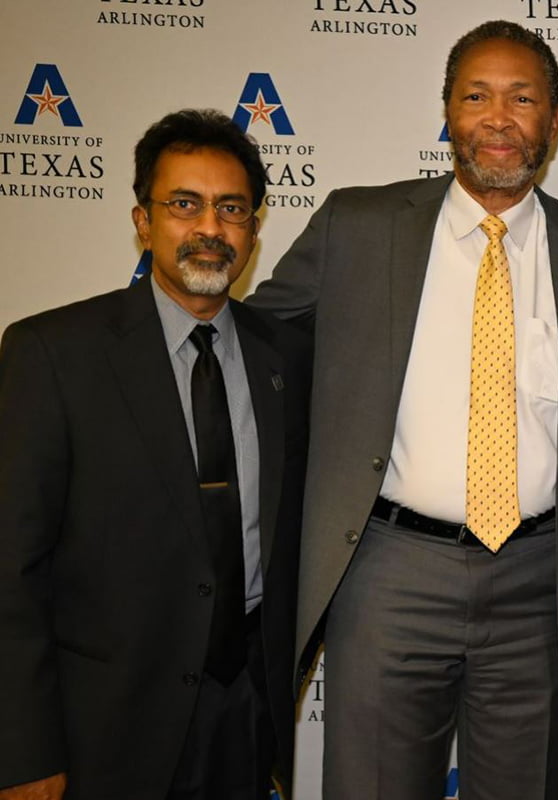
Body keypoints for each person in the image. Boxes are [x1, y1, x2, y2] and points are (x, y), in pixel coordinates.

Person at [246, 19, 558, 800]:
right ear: (447, 112)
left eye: (523, 98)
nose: (498, 118)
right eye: (476, 96)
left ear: (554, 121)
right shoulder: (356, 226)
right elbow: (257, 348)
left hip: (542, 583)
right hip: (388, 571)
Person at [0, 109, 311, 800]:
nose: (209, 228)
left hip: (246, 713)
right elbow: (11, 570)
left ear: (254, 231)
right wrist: (22, 750)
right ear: (144, 221)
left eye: (231, 209)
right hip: (104, 725)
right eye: (184, 205)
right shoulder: (53, 353)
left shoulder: (285, 357)